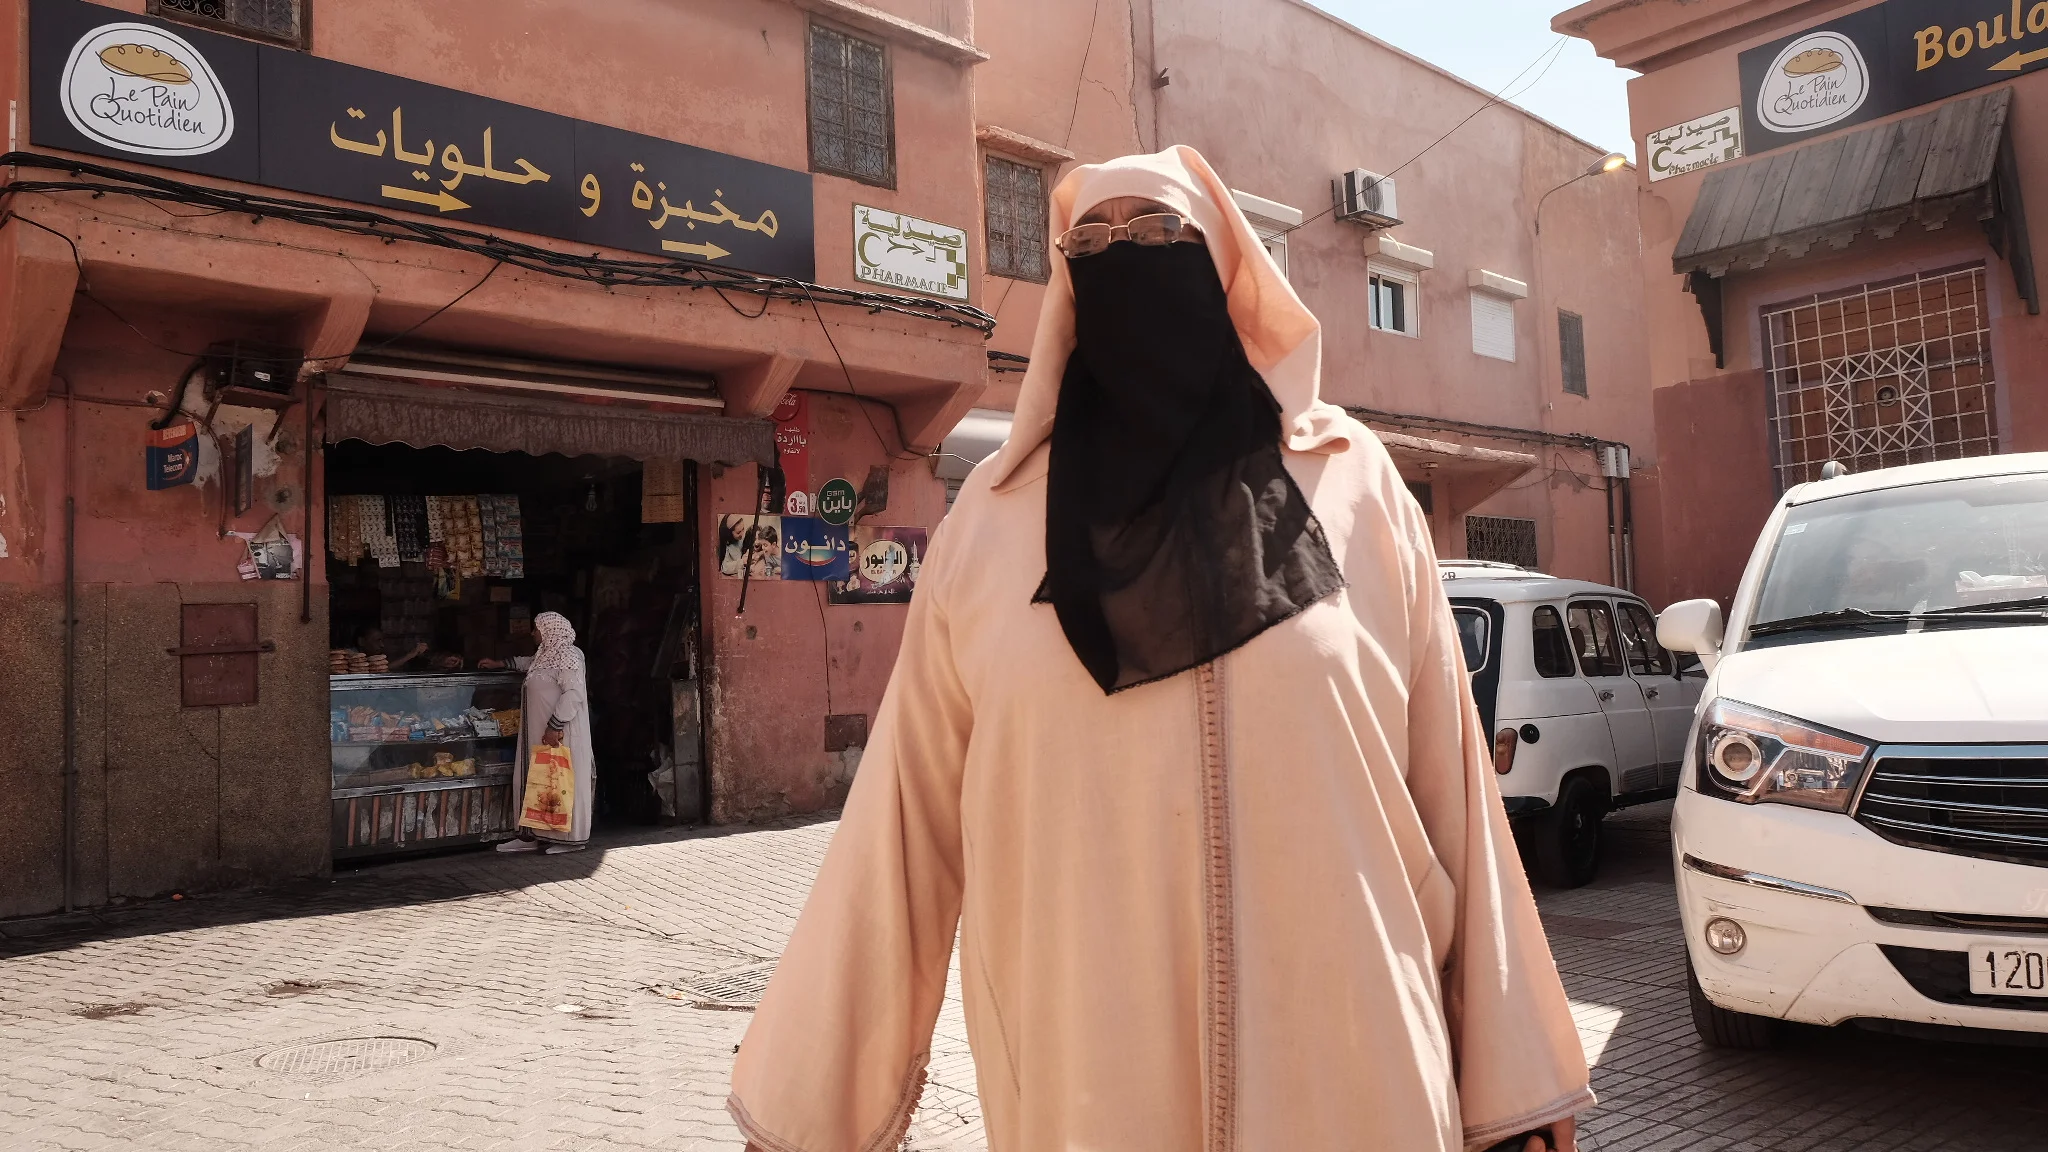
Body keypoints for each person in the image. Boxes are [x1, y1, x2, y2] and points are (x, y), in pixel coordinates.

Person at [728, 147, 1589, 1152]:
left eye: (1154, 236)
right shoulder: (994, 533)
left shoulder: (1351, 489)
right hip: (1088, 1092)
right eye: (1091, 244)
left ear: (1220, 266)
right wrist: (809, 1111)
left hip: (1357, 1081)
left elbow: (1455, 809)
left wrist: (1515, 1092)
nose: (1122, 257)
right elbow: (899, 835)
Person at [496, 611, 593, 855]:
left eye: (536, 628)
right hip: (536, 732)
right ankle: (530, 835)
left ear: (549, 630)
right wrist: (500, 664)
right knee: (536, 779)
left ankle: (569, 839)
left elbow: (574, 694)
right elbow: (528, 664)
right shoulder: (544, 654)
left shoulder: (569, 656)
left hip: (561, 732)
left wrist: (555, 725)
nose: (533, 633)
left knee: (561, 781)